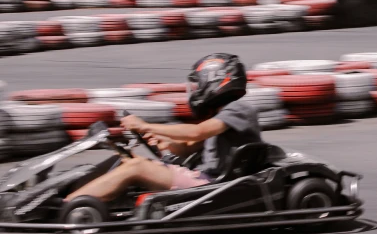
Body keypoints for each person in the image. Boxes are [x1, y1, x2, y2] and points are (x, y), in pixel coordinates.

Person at [64, 53, 261, 203]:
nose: (195, 90)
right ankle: (65, 194)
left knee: (136, 167)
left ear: (215, 80)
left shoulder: (239, 108)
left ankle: (70, 204)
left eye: (197, 85)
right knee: (124, 159)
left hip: (212, 185)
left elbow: (197, 132)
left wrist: (146, 125)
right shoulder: (221, 117)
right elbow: (188, 146)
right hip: (203, 178)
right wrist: (162, 142)